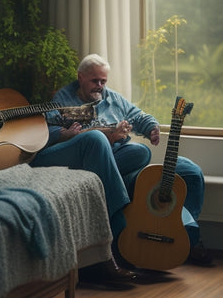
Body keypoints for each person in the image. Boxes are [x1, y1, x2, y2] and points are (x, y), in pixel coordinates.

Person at [30, 54, 212, 284]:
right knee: (97, 138)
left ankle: (186, 238)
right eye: (95, 81)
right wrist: (67, 134)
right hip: (71, 153)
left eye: (103, 81)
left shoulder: (112, 99)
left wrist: (151, 128)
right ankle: (117, 233)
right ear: (80, 77)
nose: (100, 86)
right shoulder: (62, 99)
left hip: (110, 155)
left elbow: (138, 115)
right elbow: (42, 132)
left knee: (152, 156)